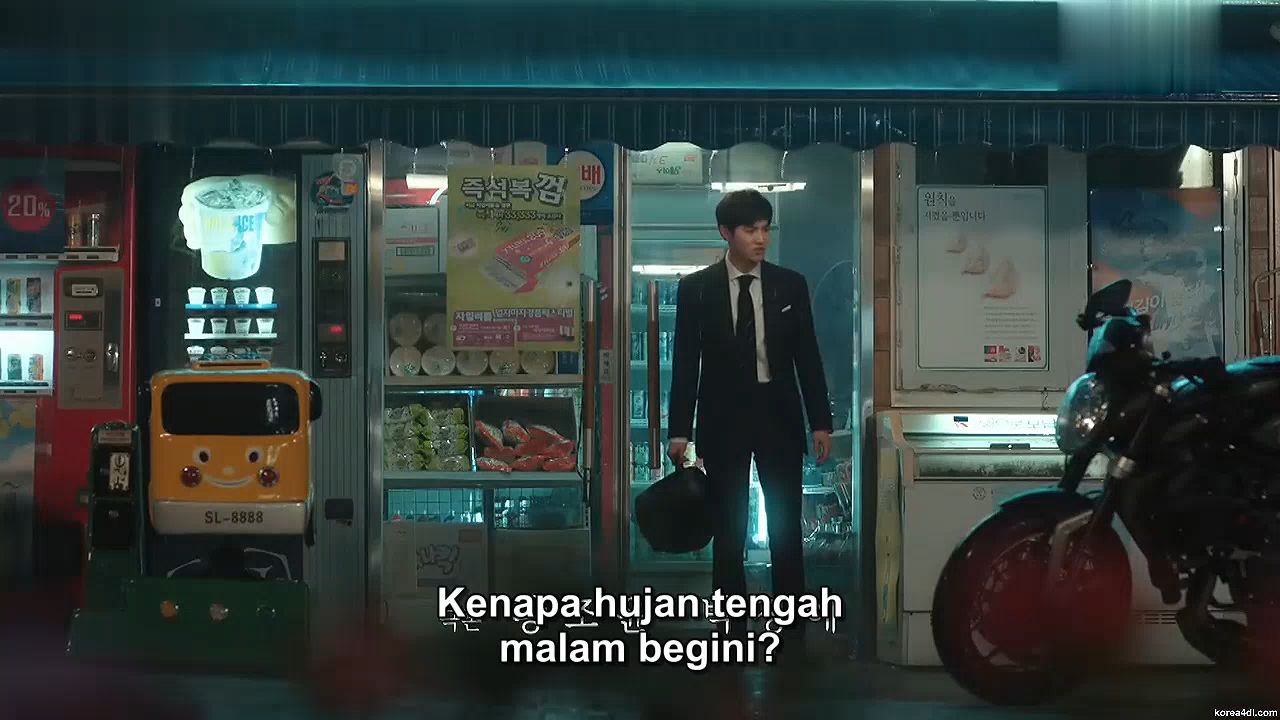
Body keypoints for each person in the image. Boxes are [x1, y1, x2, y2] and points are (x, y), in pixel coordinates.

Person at [666, 189, 832, 655]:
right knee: (729, 526)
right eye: (749, 230)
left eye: (765, 229)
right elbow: (686, 363)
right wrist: (679, 430)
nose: (760, 239)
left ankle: (792, 624)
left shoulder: (789, 285)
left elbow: (808, 358)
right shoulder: (697, 288)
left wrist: (820, 421)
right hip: (722, 418)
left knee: (785, 524)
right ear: (726, 233)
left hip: (778, 414)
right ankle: (730, 625)